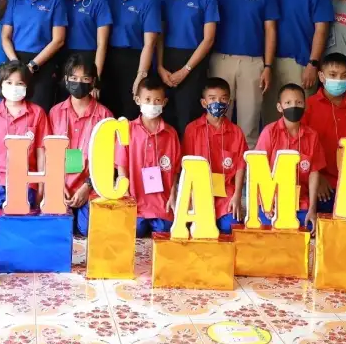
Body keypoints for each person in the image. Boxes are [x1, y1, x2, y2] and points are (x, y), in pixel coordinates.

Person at [208, 0, 278, 146]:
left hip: (253, 63)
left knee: (249, 123)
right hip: (220, 60)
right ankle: (219, 162)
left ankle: (248, 165)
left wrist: (268, 66)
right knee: (218, 119)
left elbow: (270, 29)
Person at [261, 0, 333, 125]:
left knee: (301, 120)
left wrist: (313, 63)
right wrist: (266, 65)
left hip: (300, 63)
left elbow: (321, 29)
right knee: (270, 117)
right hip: (269, 63)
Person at [0, 61, 51, 230]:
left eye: (19, 83)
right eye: (9, 82)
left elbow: (41, 152)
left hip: (26, 180)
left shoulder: (38, 113)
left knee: (20, 223)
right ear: (0, 84)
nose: (14, 87)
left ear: (27, 86)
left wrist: (41, 187)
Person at [49, 53, 113, 236]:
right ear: (66, 80)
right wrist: (56, 184)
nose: (79, 83)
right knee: (59, 231)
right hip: (60, 184)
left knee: (87, 229)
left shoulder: (105, 116)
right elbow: (48, 154)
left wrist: (87, 187)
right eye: (74, 78)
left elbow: (108, 161)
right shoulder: (55, 112)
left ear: (93, 81)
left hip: (91, 186)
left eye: (85, 79)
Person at [158, 0, 219, 132]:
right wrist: (160, 67)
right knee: (166, 119)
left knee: (188, 120)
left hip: (194, 64)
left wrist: (186, 70)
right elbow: (159, 36)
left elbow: (208, 39)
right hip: (167, 64)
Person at [303, 53, 346, 216]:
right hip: (319, 183)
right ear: (321, 76)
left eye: (344, 76)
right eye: (333, 75)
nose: (339, 80)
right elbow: (302, 148)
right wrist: (317, 178)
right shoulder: (308, 107)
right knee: (312, 213)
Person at [0, 0, 67, 111]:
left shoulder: (56, 2)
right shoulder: (16, 0)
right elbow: (5, 36)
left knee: (39, 111)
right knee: (13, 109)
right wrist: (15, 63)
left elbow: (58, 40)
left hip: (42, 63)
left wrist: (32, 65)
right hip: (15, 61)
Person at [116, 76, 181, 237]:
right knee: (134, 231)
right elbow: (121, 166)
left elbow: (175, 169)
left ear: (164, 102)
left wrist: (173, 194)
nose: (152, 104)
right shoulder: (127, 129)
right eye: (147, 99)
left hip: (162, 203)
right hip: (135, 202)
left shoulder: (171, 134)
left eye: (157, 100)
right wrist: (125, 195)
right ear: (138, 100)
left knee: (164, 231)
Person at [181, 77, 247, 234]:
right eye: (212, 99)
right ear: (204, 103)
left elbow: (240, 166)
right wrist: (188, 199)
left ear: (229, 102)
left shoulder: (236, 132)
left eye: (223, 99)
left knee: (230, 226)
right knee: (198, 229)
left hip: (226, 193)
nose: (218, 103)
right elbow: (186, 166)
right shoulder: (192, 129)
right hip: (199, 192)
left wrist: (237, 196)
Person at [256, 83, 323, 230]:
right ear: (279, 107)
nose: (294, 106)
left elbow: (314, 172)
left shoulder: (312, 136)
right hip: (271, 200)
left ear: (305, 106)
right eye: (288, 103)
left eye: (299, 102)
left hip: (300, 201)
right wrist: (266, 201)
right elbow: (259, 170)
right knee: (272, 227)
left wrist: (312, 208)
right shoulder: (269, 132)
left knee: (306, 227)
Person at [103, 0, 161, 120]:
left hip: (135, 61)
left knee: (129, 115)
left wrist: (140, 76)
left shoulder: (148, 1)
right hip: (108, 60)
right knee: (107, 114)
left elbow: (150, 43)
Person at [60, 0, 112, 99]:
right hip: (65, 59)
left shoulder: (99, 0)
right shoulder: (63, 0)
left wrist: (96, 78)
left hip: (90, 59)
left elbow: (102, 44)